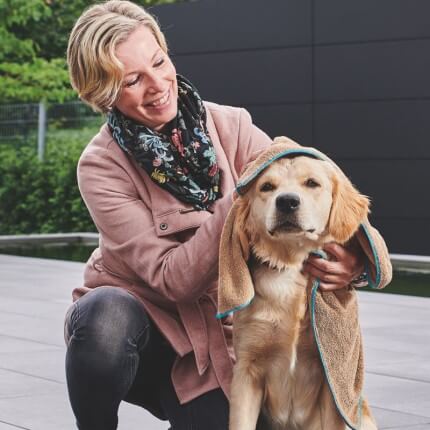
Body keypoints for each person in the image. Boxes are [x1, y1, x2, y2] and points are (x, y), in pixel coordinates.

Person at [64, 1, 389, 429]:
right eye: (132, 81)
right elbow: (171, 279)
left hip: (220, 338)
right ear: (104, 94)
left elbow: (302, 183)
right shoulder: (101, 166)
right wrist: (240, 200)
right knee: (104, 320)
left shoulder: (231, 125)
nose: (158, 85)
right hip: (147, 329)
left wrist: (352, 258)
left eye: (159, 62)